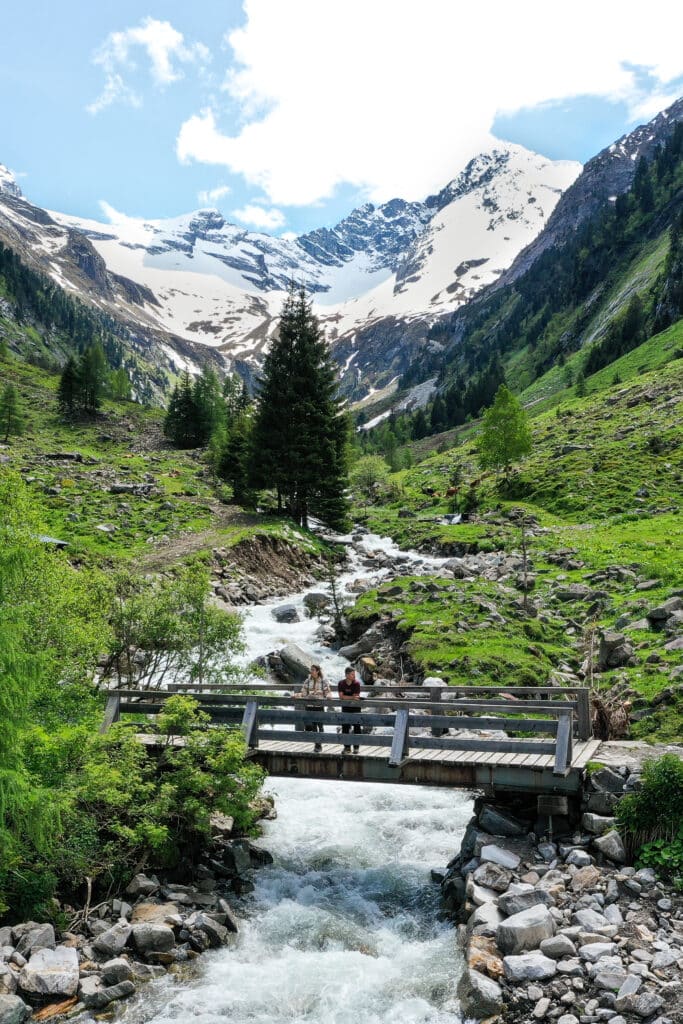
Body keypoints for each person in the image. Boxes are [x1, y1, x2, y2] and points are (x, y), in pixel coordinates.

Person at [296, 664, 331, 752]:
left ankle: (320, 742)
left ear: (317, 671)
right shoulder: (307, 681)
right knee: (314, 726)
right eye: (311, 670)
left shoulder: (323, 681)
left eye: (313, 670)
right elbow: (303, 692)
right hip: (310, 706)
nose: (311, 671)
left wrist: (329, 695)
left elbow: (327, 691)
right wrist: (297, 695)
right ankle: (317, 745)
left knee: (320, 726)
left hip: (319, 706)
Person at [337, 665, 362, 753]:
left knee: (357, 727)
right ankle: (347, 747)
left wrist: (346, 697)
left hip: (356, 708)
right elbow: (341, 697)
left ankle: (356, 747)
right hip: (345, 708)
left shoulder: (357, 683)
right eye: (352, 674)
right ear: (347, 675)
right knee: (345, 727)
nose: (354, 676)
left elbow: (356, 697)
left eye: (354, 674)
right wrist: (351, 697)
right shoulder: (341, 683)